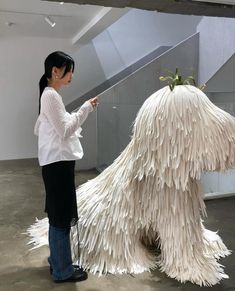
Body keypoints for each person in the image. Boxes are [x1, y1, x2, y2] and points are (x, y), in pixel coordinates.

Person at [34, 51, 98, 283]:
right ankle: (63, 270)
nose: (72, 75)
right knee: (61, 218)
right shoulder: (51, 96)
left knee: (57, 216)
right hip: (58, 165)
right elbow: (65, 130)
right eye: (69, 70)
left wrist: (78, 112)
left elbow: (59, 126)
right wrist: (85, 109)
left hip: (55, 165)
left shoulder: (50, 95)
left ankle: (58, 261)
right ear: (55, 71)